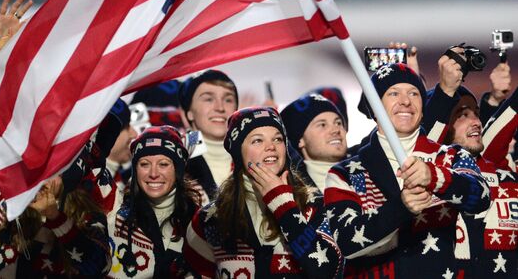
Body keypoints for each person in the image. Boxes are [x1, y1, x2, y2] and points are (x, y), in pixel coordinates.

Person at [324, 63, 490, 278]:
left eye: (414, 93)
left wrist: (435, 177)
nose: (405, 101)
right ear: (374, 107)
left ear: (423, 109)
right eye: (393, 93)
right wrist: (401, 208)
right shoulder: (344, 173)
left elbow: (481, 196)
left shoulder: (451, 156)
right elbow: (346, 242)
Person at [184, 106, 344, 278]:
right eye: (257, 140)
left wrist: (283, 205)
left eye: (277, 139)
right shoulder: (211, 218)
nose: (271, 147)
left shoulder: (316, 204)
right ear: (239, 153)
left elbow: (328, 271)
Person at [425, 55, 517, 277]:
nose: (476, 121)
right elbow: (427, 142)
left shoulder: (500, 169)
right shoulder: (428, 171)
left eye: (476, 113)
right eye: (462, 115)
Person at [92, 125, 200, 278]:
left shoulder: (197, 221)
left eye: (163, 164)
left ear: (178, 169)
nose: (153, 173)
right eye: (144, 164)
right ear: (135, 169)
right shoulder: (115, 207)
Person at [178, 69, 239, 201]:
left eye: (228, 100)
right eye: (208, 99)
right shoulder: (173, 158)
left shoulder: (254, 155)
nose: (220, 107)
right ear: (189, 112)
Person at [281, 93, 348, 191]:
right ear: (300, 140)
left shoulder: (366, 170)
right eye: (322, 125)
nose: (335, 130)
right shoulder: (295, 193)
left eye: (338, 123)